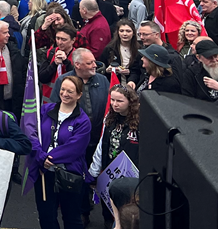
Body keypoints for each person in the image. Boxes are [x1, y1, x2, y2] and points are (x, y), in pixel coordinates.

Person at [28, 76, 92, 229]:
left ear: (79, 95)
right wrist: (40, 156)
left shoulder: (83, 121)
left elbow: (75, 148)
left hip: (69, 175)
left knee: (72, 219)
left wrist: (49, 158)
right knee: (46, 217)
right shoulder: (45, 110)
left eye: (70, 91)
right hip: (44, 173)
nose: (64, 93)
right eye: (63, 89)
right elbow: (31, 134)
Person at [88, 85, 140, 227]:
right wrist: (94, 170)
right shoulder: (109, 118)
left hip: (131, 177)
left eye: (119, 101)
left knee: (127, 214)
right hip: (110, 172)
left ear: (130, 102)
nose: (115, 104)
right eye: (112, 100)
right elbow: (101, 145)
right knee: (108, 212)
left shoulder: (140, 122)